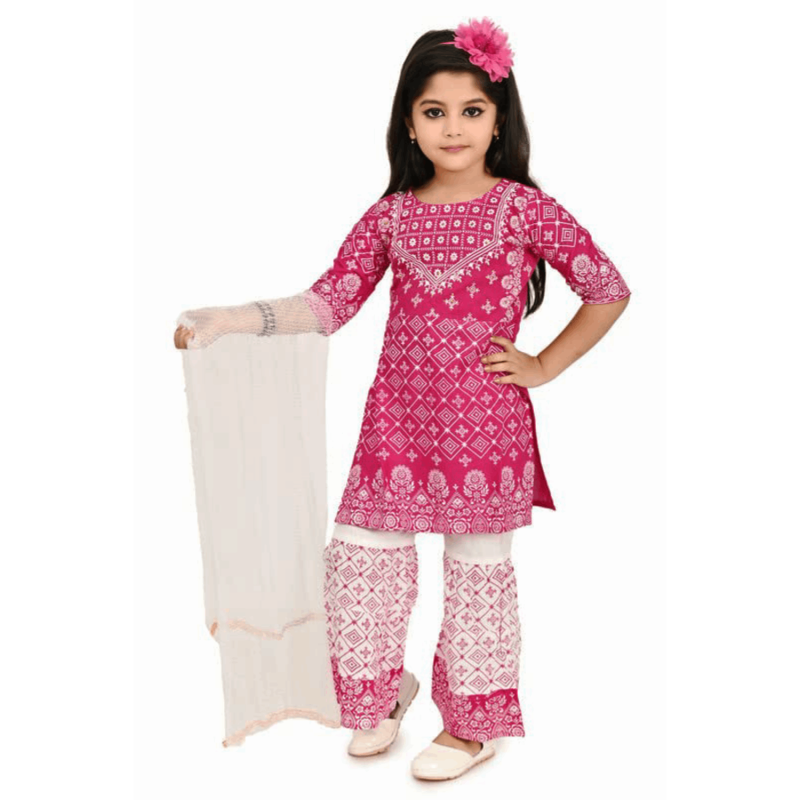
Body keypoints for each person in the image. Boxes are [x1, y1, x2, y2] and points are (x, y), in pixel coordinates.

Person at [175, 16, 631, 780]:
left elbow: (607, 288)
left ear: (499, 119)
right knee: (361, 562)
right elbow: (329, 301)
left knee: (478, 573)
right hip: (396, 423)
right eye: (434, 111)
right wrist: (233, 320)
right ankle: (381, 694)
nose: (453, 127)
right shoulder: (392, 214)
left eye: (471, 110)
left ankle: (473, 726)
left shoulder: (523, 209)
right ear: (409, 123)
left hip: (485, 427)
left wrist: (545, 365)